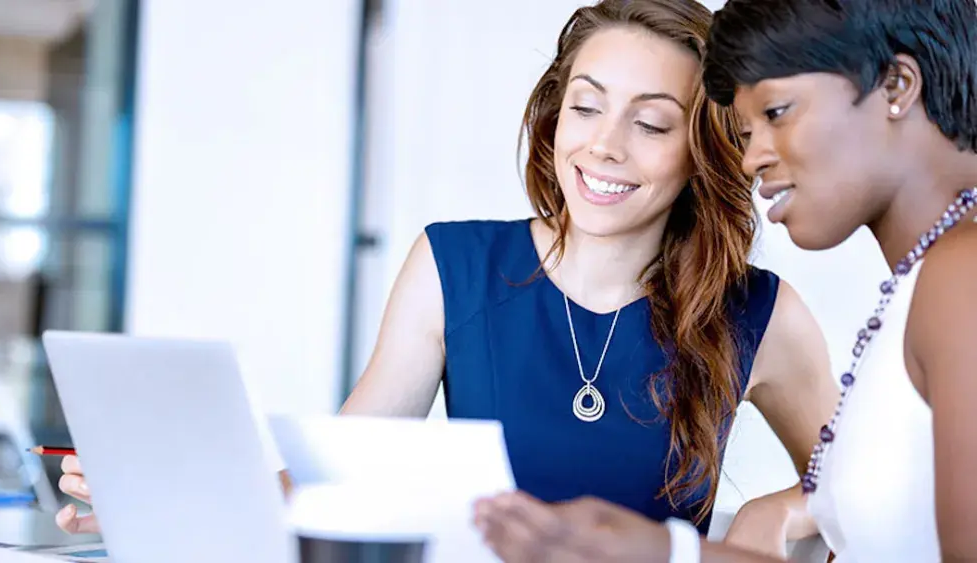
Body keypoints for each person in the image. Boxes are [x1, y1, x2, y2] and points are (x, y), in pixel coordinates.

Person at [55, 0, 839, 557]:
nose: (605, 147)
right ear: (552, 118)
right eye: (586, 108)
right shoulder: (453, 266)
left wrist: (785, 506)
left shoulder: (762, 315)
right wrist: (168, 496)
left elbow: (873, 502)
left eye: (651, 123)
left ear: (701, 147)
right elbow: (338, 475)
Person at [473, 0, 977, 561]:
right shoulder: (930, 279)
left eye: (778, 113)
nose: (750, 158)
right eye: (743, 130)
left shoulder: (961, 276)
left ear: (897, 85)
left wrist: (668, 554)